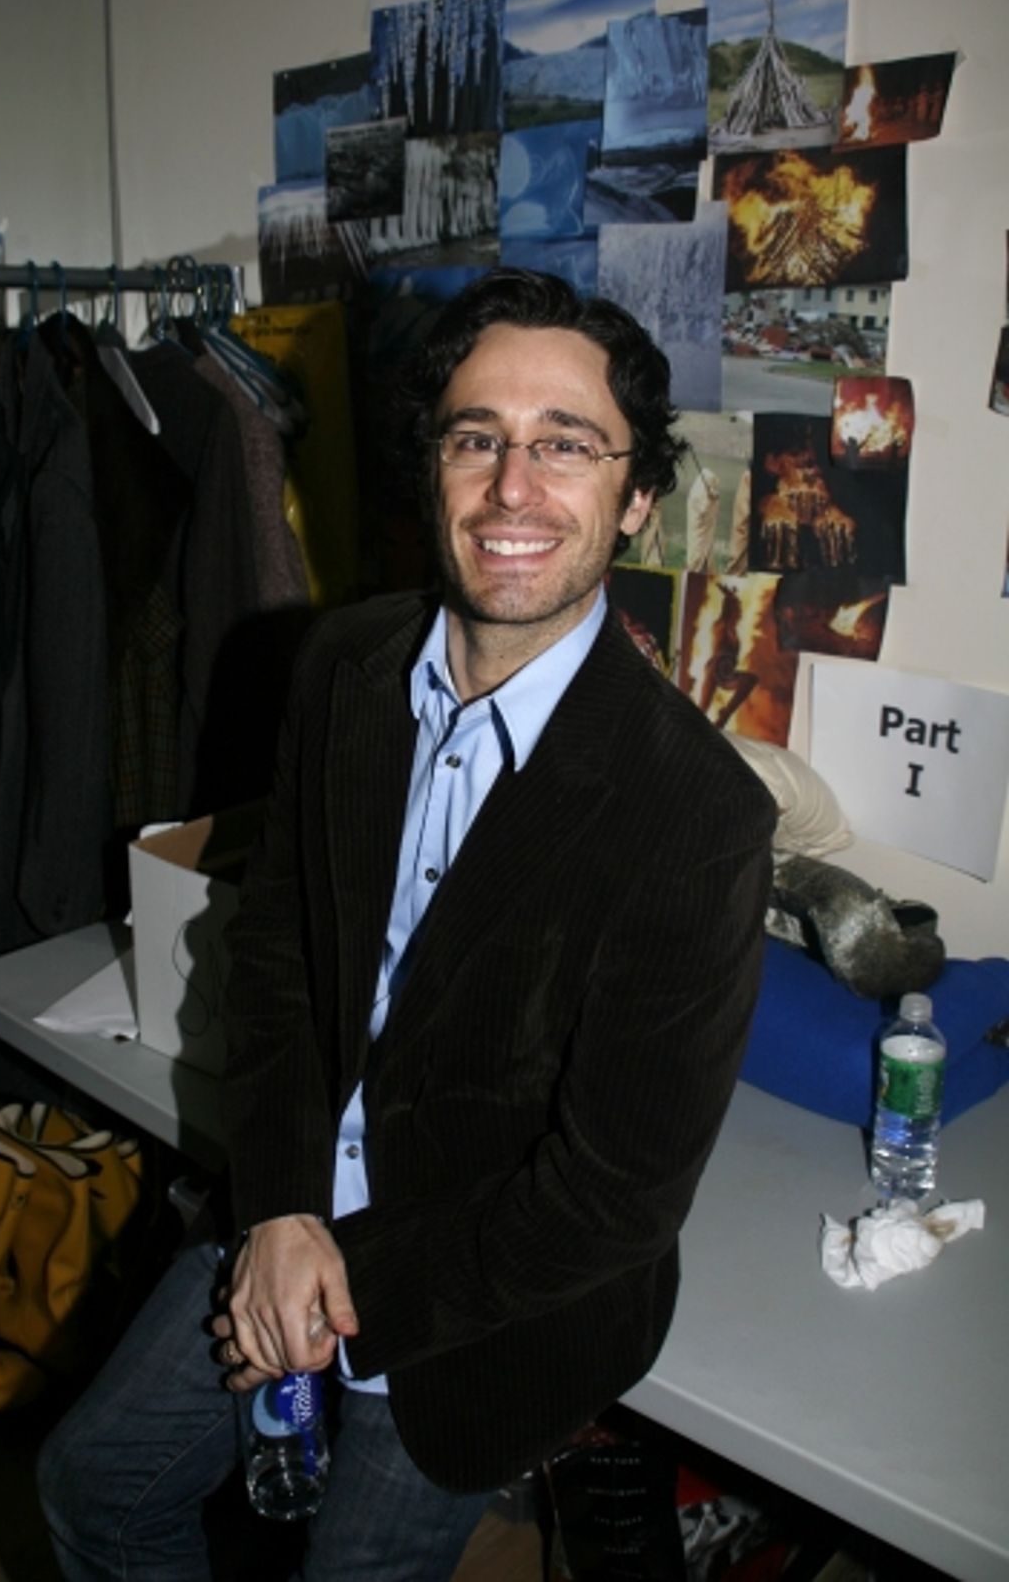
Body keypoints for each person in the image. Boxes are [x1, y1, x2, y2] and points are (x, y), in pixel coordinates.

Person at [38, 268, 776, 1581]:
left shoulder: (695, 814)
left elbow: (610, 1199)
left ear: (640, 495)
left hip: (488, 1307)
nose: (512, 487)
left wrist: (338, 1283)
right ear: (431, 469)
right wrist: (274, 1216)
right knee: (94, 1488)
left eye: (565, 445)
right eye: (477, 437)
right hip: (283, 1208)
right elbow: (272, 960)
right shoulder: (339, 665)